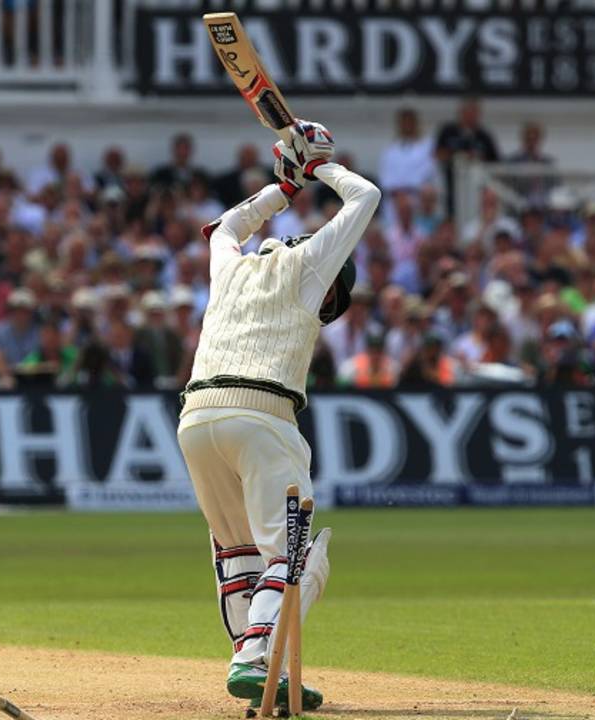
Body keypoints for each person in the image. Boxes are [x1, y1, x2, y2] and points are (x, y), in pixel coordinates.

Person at [176, 121, 380, 710]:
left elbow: (224, 227)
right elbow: (366, 196)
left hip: (196, 418)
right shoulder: (311, 269)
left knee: (237, 552)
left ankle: (258, 668)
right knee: (297, 558)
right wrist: (319, 168)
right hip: (263, 417)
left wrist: (283, 187)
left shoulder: (230, 267)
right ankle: (255, 658)